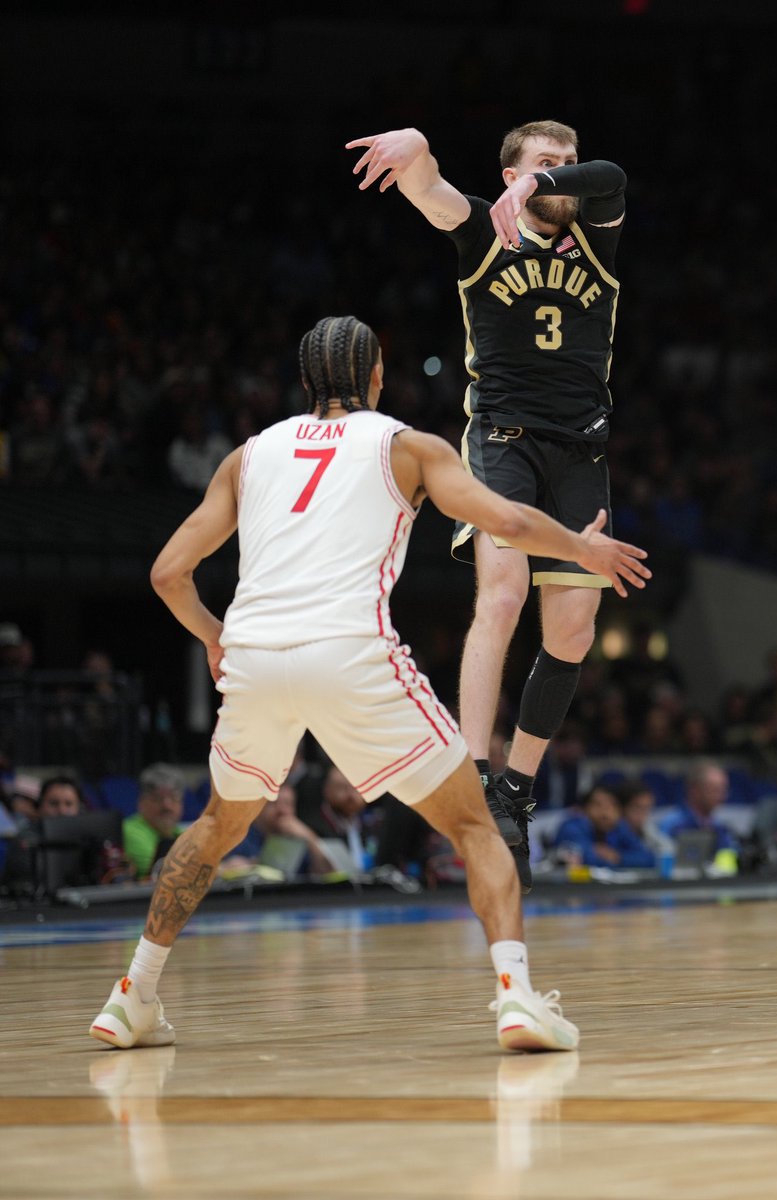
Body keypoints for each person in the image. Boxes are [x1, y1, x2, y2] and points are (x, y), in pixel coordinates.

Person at [90, 315, 650, 1055]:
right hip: (349, 652)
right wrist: (581, 546)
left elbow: (168, 573)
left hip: (255, 659)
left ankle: (133, 995)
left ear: (304, 382)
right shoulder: (407, 445)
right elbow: (509, 521)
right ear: (378, 377)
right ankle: (517, 999)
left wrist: (213, 636)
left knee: (216, 828)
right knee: (475, 827)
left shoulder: (247, 456)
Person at [347, 121, 628, 893]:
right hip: (502, 441)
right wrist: (415, 150)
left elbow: (611, 176)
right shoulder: (482, 231)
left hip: (580, 452)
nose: (561, 173)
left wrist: (547, 180)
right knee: (502, 595)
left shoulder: (597, 236)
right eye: (543, 162)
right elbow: (429, 191)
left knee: (574, 630)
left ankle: (517, 790)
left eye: (566, 162)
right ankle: (474, 774)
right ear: (509, 175)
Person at [123, 764, 189, 880]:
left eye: (174, 798)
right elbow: (161, 870)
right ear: (141, 802)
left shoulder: (180, 832)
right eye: (158, 798)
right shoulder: (129, 831)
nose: (167, 806)